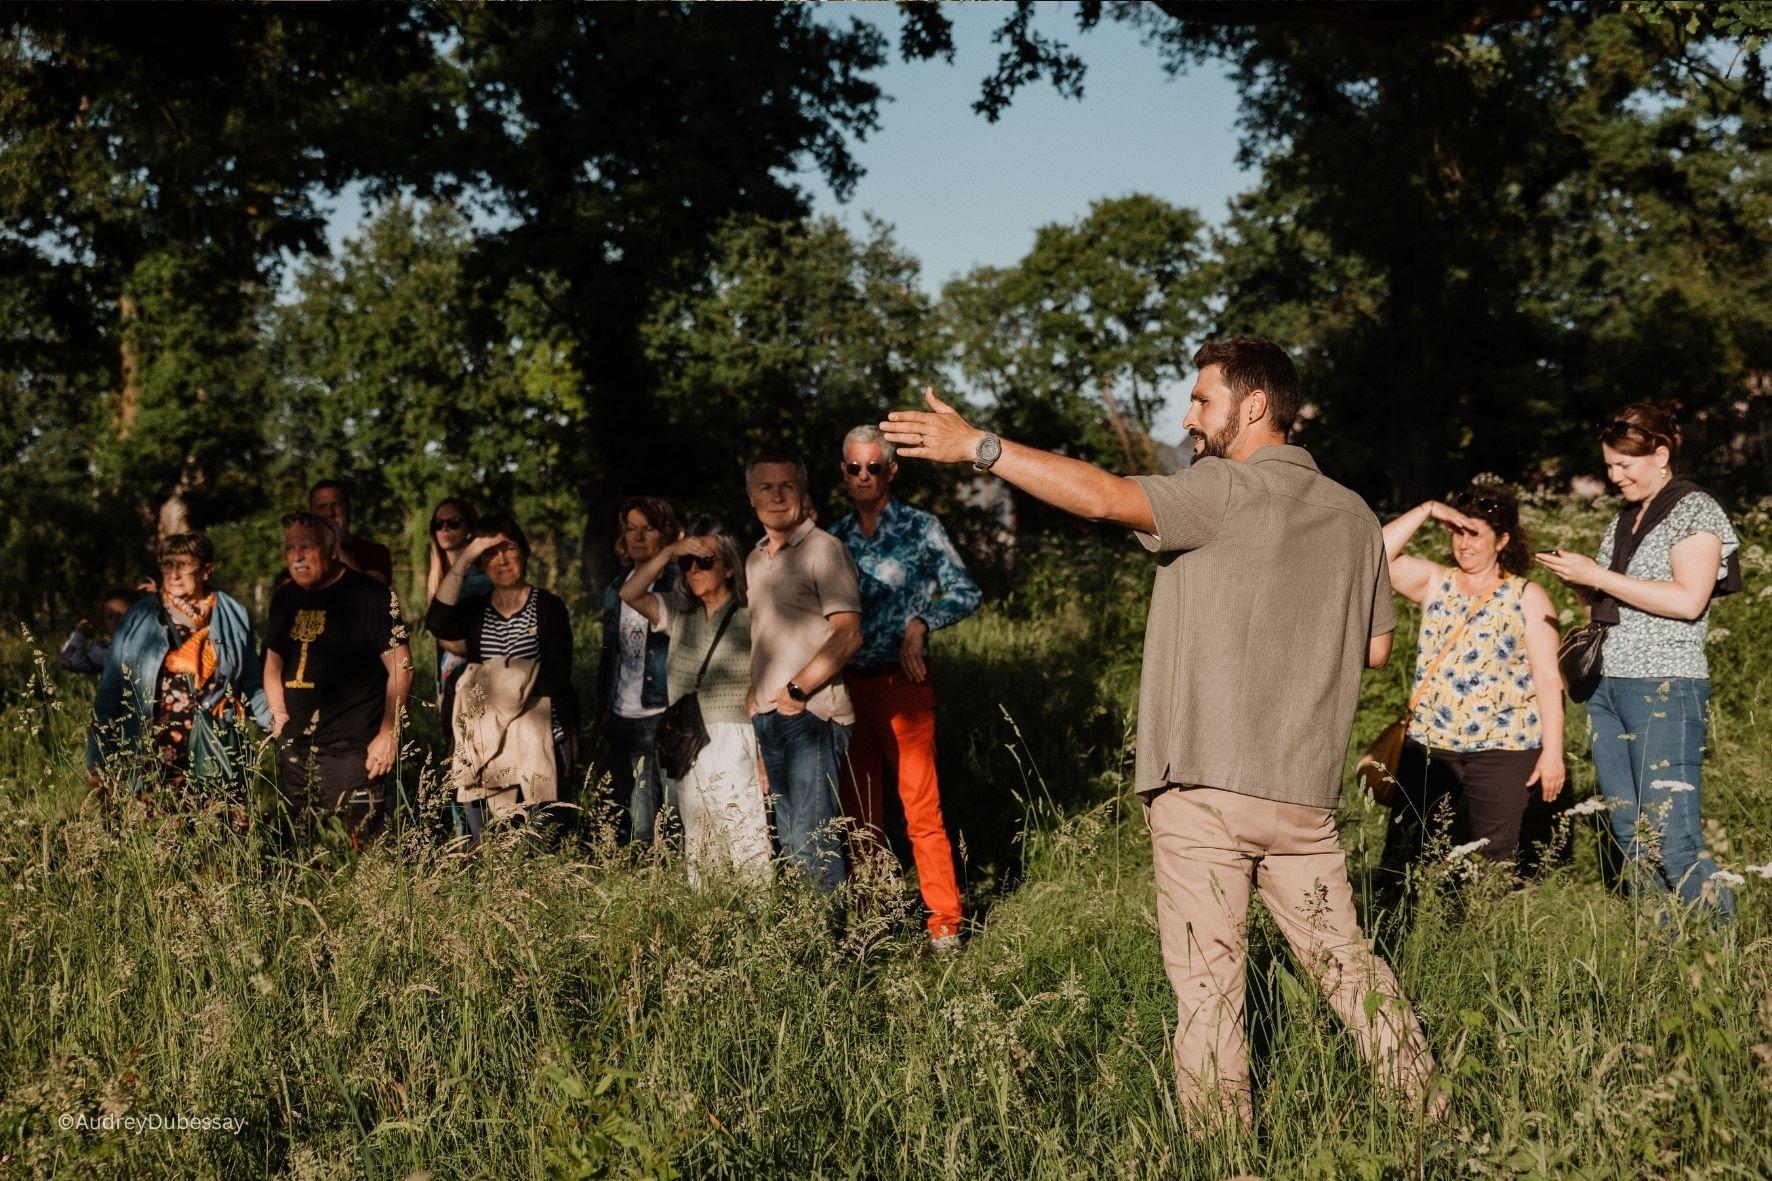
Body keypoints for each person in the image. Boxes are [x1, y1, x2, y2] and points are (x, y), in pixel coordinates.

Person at [882, 337, 1442, 1125]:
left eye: (1201, 399)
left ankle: (1225, 1158)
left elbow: (1106, 496)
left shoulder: (1222, 487)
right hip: (1304, 798)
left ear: (1253, 408)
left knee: (1211, 994)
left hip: (1207, 791)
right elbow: (1376, 648)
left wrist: (981, 446)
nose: (1188, 416)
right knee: (1350, 967)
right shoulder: (1355, 516)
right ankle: (1431, 1112)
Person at [1538, 404, 1741, 918]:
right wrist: (1583, 583)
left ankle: (1726, 953)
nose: (1615, 476)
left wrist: (1599, 576)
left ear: (1662, 455)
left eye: (1625, 465)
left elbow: (1688, 600)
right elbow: (1612, 607)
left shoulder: (1695, 509)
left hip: (1664, 685)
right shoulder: (1625, 518)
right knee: (1629, 831)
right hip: (1608, 686)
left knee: (1673, 834)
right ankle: (1665, 948)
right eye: (1609, 466)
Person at [1375, 485, 1566, 915]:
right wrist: (1425, 508)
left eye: (1475, 534)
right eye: (1457, 532)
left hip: (1505, 746)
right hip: (1430, 743)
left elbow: (1548, 676)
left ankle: (1476, 944)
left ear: (1502, 540)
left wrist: (1553, 752)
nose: (1464, 544)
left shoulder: (1526, 596)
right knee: (1405, 851)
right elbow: (1373, 556)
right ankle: (1389, 929)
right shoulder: (1433, 581)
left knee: (1490, 861)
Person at [828, 425, 981, 951]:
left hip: (902, 685)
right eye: (854, 468)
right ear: (844, 472)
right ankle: (873, 918)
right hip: (844, 688)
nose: (864, 475)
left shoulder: (920, 528)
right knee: (858, 811)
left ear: (892, 470)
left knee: (921, 807)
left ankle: (944, 923)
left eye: (874, 466)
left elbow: (966, 591)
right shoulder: (832, 538)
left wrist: (921, 621)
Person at [619, 519, 771, 885]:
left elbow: (764, 682)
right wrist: (671, 551)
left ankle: (758, 925)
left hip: (736, 734)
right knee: (699, 841)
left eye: (705, 561)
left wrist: (764, 754)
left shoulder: (751, 615)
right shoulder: (679, 611)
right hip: (688, 739)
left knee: (746, 839)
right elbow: (630, 593)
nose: (694, 571)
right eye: (687, 564)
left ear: (731, 568)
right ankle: (708, 923)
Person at [744, 448, 863, 902]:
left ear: (803, 492)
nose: (777, 497)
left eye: (787, 486)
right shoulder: (755, 558)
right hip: (770, 717)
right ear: (751, 497)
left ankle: (833, 960)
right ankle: (805, 954)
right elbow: (764, 636)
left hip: (812, 715)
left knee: (816, 844)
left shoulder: (824, 550)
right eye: (766, 487)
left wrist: (798, 688)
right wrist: (757, 698)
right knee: (790, 844)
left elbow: (849, 634)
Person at [264, 512, 412, 847]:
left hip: (353, 751)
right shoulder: (284, 599)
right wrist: (278, 714)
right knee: (302, 850)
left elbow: (401, 666)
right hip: (296, 747)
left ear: (332, 551)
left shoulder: (369, 596)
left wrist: (389, 732)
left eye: (307, 547)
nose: (297, 556)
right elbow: (273, 662)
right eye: (290, 548)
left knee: (353, 850)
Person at [87, 535, 270, 803]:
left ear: (207, 569)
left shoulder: (233, 614)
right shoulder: (139, 617)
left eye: (183, 565)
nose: (173, 574)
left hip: (214, 743)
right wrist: (97, 756)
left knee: (218, 829)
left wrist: (276, 723)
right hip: (154, 747)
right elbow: (112, 689)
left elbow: (251, 682)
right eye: (167, 564)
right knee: (158, 830)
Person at [428, 514, 579, 837]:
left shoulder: (549, 607)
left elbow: (556, 677)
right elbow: (438, 622)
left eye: (508, 549)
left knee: (542, 838)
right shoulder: (476, 609)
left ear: (523, 551)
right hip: (487, 746)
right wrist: (467, 554)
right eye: (490, 553)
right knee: (491, 843)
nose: (502, 560)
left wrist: (491, 678)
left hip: (538, 742)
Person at [597, 496, 682, 845]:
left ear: (665, 535)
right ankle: (648, 886)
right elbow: (609, 653)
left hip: (665, 713)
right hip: (623, 715)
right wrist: (603, 708)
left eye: (647, 528)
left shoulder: (679, 583)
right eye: (631, 529)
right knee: (639, 826)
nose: (638, 537)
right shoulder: (617, 586)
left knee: (676, 820)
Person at [423, 496, 492, 705]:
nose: (445, 529)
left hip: (472, 674)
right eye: (438, 524)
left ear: (469, 528)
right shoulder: (437, 574)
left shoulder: (478, 578)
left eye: (453, 523)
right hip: (450, 676)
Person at [309, 479, 393, 585]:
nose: (330, 513)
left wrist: (340, 546)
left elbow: (374, 592)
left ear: (348, 509)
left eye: (336, 505)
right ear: (311, 513)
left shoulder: (376, 552)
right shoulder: (302, 554)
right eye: (322, 507)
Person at [61, 587, 148, 675]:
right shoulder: (105, 653)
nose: (116, 619)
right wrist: (80, 634)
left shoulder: (153, 641)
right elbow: (70, 662)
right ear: (105, 626)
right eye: (110, 617)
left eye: (123, 613)